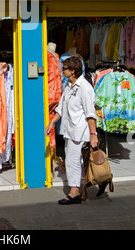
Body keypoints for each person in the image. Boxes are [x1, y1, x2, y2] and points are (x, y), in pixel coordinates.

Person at [45, 56, 98, 205]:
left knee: (72, 161)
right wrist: (52, 123)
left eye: (65, 69)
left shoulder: (85, 88)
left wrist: (93, 135)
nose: (62, 71)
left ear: (73, 71)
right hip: (70, 129)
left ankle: (74, 193)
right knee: (79, 161)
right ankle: (102, 179)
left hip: (79, 131)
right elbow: (61, 108)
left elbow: (90, 114)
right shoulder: (69, 85)